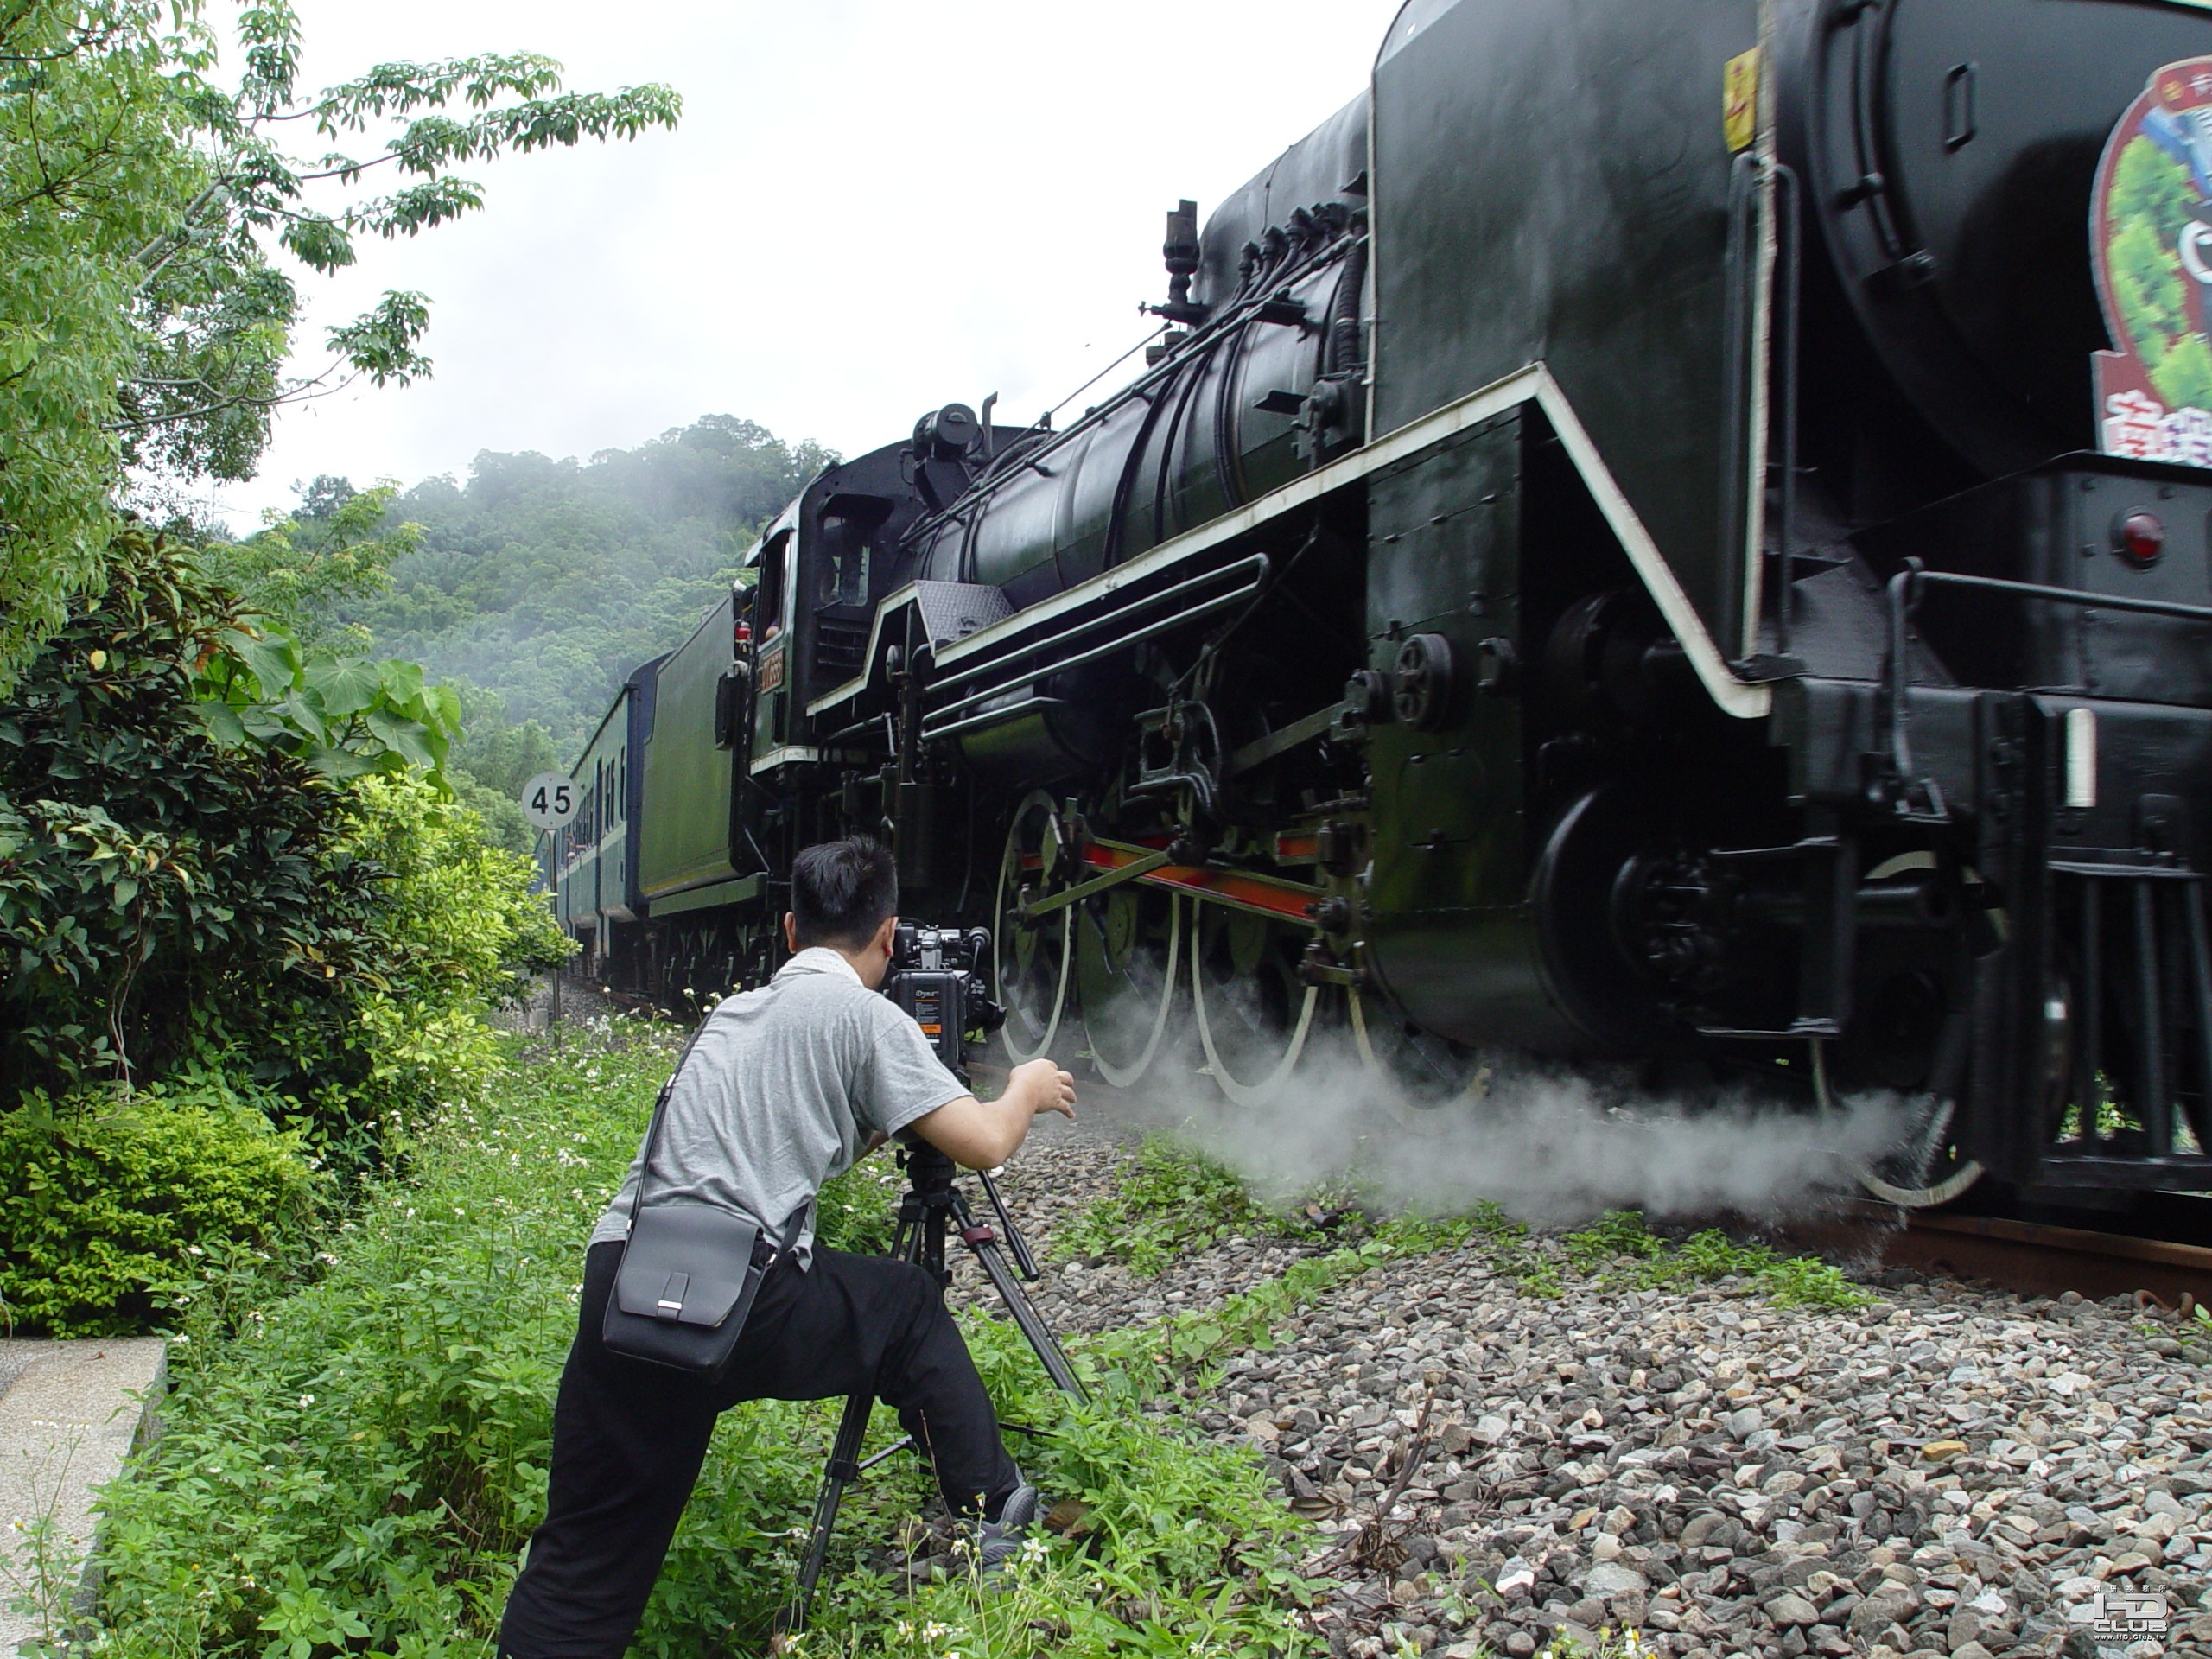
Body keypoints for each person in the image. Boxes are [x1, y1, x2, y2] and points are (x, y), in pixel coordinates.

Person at [497, 836, 1078, 1658]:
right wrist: (1024, 1086)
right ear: (888, 939)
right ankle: (999, 1513)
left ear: (788, 930)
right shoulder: (866, 1016)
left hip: (627, 1275)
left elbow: (781, 1136)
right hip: (739, 1296)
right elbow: (983, 1143)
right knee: (906, 1304)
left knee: (583, 1560)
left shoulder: (730, 1015)